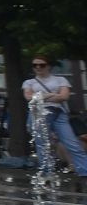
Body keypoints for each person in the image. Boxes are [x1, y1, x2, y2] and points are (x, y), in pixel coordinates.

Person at [24, 57, 87, 186]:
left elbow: (64, 96)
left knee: (72, 143)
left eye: (41, 65)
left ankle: (84, 171)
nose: (38, 67)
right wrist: (53, 95)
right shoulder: (29, 82)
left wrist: (42, 96)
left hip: (59, 114)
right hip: (40, 114)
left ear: (48, 66)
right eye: (35, 65)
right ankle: (47, 174)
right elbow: (29, 97)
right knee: (42, 145)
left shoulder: (60, 79)